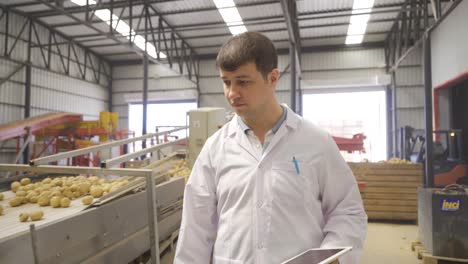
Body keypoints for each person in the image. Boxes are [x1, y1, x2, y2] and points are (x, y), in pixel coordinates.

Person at [174, 32, 367, 264]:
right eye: (227, 82)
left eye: (243, 82)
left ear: (272, 78)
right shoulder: (215, 149)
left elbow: (346, 210)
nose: (232, 93)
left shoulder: (316, 143)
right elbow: (195, 227)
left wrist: (333, 255)